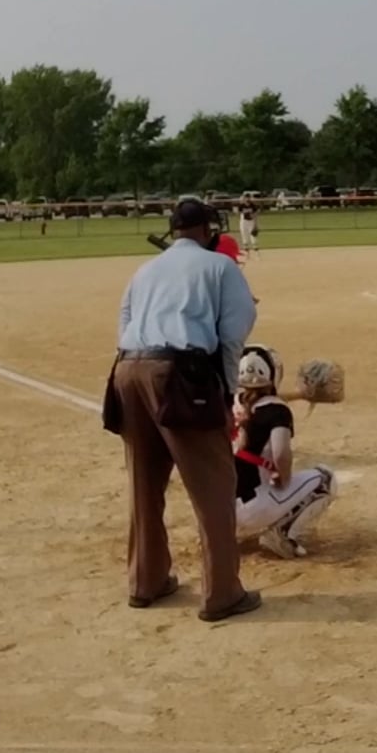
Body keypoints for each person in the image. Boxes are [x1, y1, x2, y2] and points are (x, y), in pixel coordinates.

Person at [104, 197, 263, 622]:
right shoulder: (220, 267)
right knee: (214, 486)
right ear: (208, 230)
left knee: (144, 481)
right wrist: (226, 395)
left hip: (128, 370)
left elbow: (124, 324)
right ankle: (222, 593)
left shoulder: (144, 270)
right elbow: (232, 336)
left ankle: (146, 581)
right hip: (180, 374)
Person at [231, 345, 337, 560]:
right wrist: (284, 477)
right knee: (325, 479)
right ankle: (282, 533)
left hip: (218, 508)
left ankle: (221, 534)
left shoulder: (230, 400)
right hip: (252, 510)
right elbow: (280, 454)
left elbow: (258, 400)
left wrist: (299, 395)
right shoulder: (277, 411)